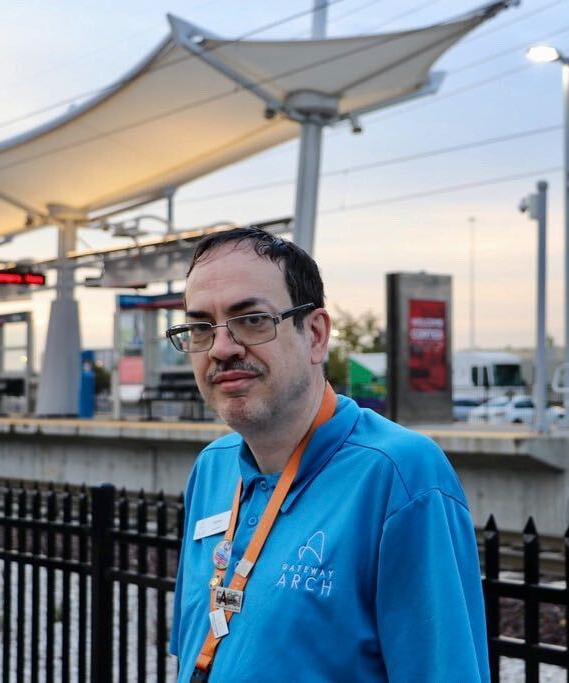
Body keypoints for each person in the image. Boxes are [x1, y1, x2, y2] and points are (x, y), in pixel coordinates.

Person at [168, 228, 488, 682]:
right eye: (201, 327)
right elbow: (195, 647)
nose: (222, 348)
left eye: (253, 319)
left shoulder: (400, 477)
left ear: (315, 335)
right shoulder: (212, 468)